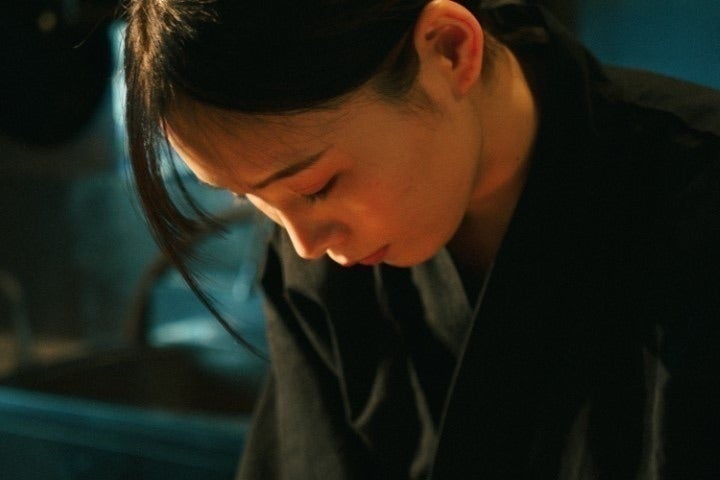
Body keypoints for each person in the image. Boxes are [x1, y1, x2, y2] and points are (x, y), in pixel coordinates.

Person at [122, 0, 720, 478]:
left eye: (316, 185)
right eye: (249, 197)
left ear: (450, 50)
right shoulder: (318, 267)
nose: (303, 243)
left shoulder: (697, 202)